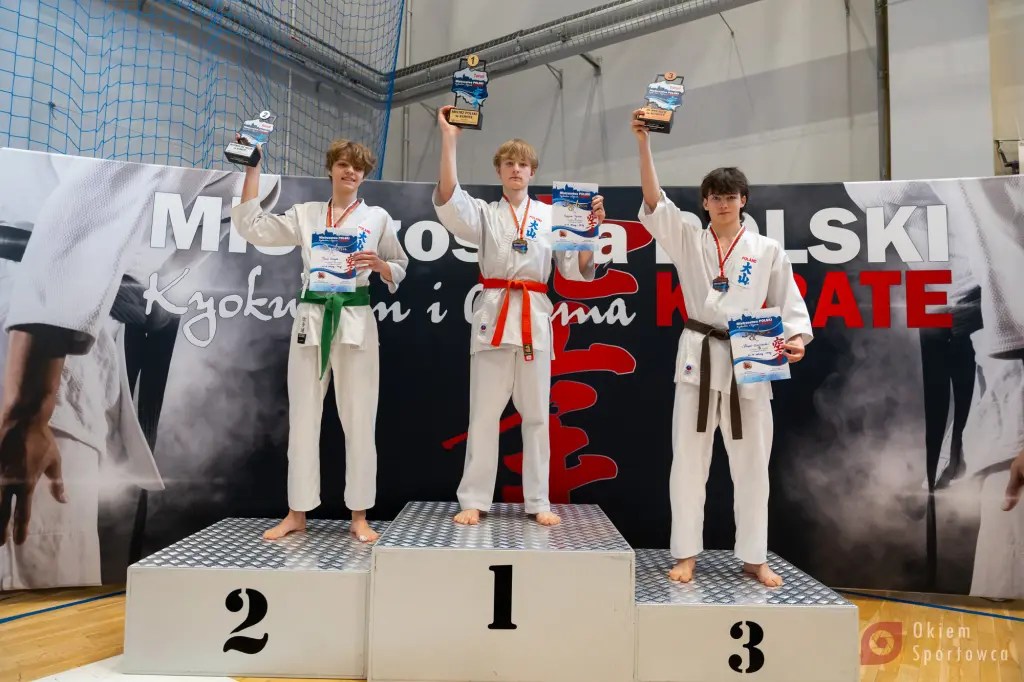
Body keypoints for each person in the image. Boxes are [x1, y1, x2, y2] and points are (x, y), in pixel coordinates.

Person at [631, 109, 812, 586]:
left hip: (751, 355)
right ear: (705, 203)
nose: (723, 203)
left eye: (731, 196)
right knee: (688, 463)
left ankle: (754, 556)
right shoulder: (689, 238)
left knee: (753, 466)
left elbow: (789, 303)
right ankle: (686, 553)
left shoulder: (767, 250)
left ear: (743, 201)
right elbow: (653, 201)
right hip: (699, 355)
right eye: (715, 197)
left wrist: (795, 338)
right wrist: (644, 143)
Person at [231, 137, 409, 543]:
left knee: (359, 418)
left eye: (358, 167)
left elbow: (399, 265)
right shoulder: (307, 213)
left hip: (356, 320)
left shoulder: (377, 218)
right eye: (344, 164)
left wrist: (381, 265)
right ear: (331, 169)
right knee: (303, 418)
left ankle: (359, 515)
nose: (351, 172)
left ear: (364, 175)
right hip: (311, 319)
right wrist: (252, 169)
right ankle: (297, 512)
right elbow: (252, 227)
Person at [431, 106, 602, 527]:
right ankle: (474, 498)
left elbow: (574, 271)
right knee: (483, 415)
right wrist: (449, 140)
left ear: (532, 172)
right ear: (499, 171)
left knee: (537, 415)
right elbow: (449, 199)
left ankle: (538, 500)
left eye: (522, 164)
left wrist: (589, 234)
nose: (516, 170)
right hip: (493, 317)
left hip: (533, 320)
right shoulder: (486, 213)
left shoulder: (552, 216)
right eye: (509, 163)